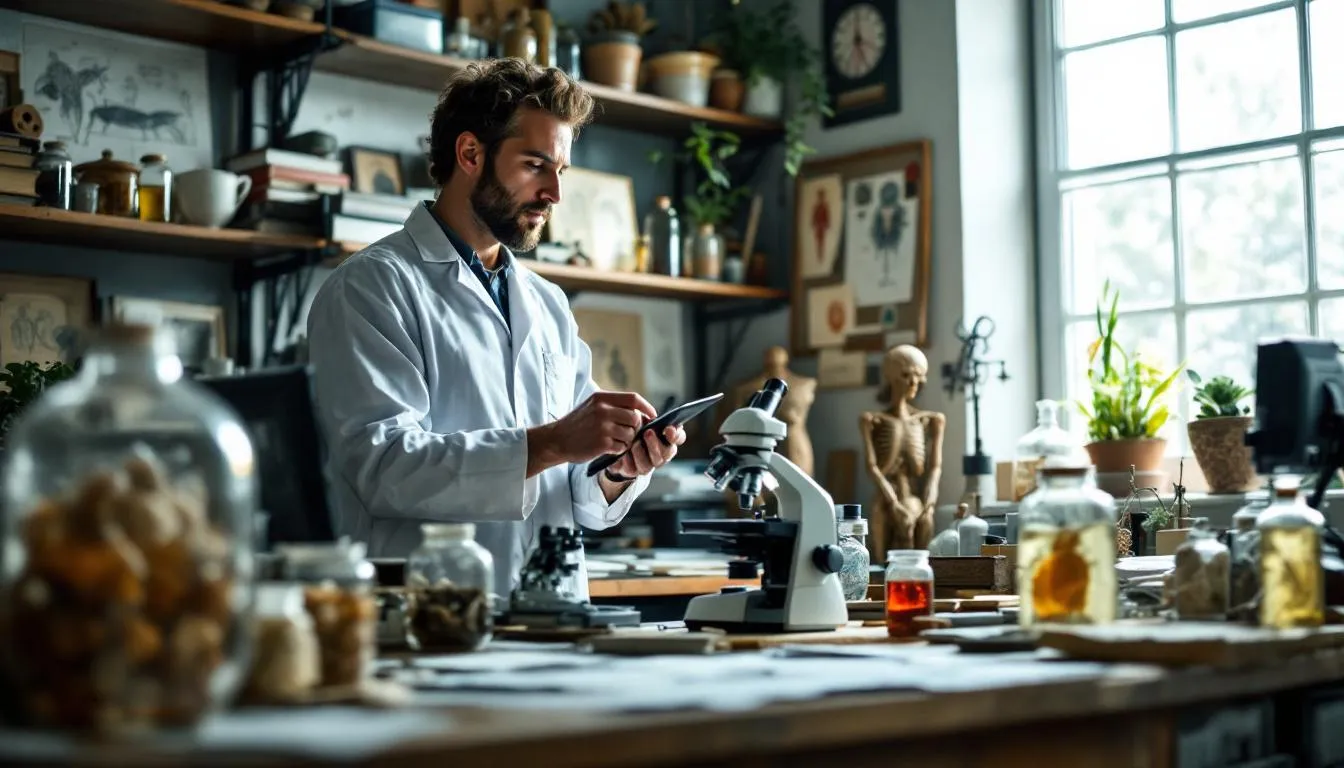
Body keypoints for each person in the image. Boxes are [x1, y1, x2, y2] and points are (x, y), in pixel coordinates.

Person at [305, 59, 686, 599]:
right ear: (470, 154)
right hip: (434, 611)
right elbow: (384, 468)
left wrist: (617, 467)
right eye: (535, 165)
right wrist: (551, 443)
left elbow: (574, 491)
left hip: (552, 610)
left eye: (560, 171)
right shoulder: (371, 287)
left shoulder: (548, 304)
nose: (554, 193)